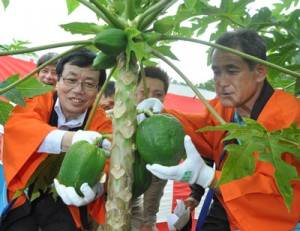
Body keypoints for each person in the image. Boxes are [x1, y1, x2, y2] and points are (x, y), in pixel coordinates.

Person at [137, 29, 300, 231]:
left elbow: (271, 187)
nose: (221, 83)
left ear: (260, 71)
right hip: (231, 211)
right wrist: (161, 113)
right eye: (216, 72)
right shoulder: (222, 109)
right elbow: (199, 129)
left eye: (232, 71)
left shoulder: (290, 115)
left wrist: (209, 178)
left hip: (278, 222)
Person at [1, 47, 112, 231]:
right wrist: (71, 139)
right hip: (25, 194)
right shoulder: (38, 100)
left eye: (89, 84)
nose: (78, 90)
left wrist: (96, 185)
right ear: (57, 81)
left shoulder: (101, 121)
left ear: (98, 90)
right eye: (71, 80)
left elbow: (110, 158)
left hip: (68, 205)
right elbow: (20, 127)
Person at [137, 66, 170, 231]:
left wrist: (148, 220)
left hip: (137, 207)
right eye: (144, 91)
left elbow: (157, 180)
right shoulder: (109, 120)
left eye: (158, 95)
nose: (150, 99)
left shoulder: (165, 130)